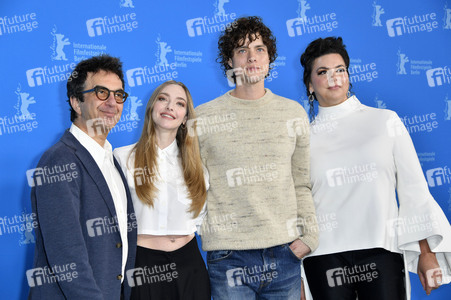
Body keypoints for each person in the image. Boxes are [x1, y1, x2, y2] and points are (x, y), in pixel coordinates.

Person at [300, 36, 451, 300]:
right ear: (310, 85)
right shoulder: (302, 139)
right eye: (322, 72)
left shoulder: (385, 121)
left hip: (381, 250)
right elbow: (297, 205)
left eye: (340, 70)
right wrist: (298, 277)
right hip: (323, 256)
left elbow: (413, 189)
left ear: (348, 76)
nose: (333, 78)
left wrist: (426, 254)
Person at [194, 16, 318, 299]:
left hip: (284, 254)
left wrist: (309, 237)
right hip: (228, 257)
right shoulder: (203, 117)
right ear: (229, 61)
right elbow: (192, 185)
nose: (251, 57)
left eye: (259, 49)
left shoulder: (293, 113)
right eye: (241, 50)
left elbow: (301, 182)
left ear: (269, 58)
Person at [29, 55, 137, 299]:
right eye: (101, 93)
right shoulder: (59, 160)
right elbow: (66, 254)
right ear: (77, 102)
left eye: (119, 95)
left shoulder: (112, 160)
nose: (113, 102)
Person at [114, 80, 210, 299]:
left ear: (185, 118)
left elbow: (201, 216)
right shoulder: (122, 158)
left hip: (190, 266)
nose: (170, 107)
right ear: (151, 107)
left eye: (179, 103)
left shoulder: (198, 167)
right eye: (163, 99)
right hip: (142, 265)